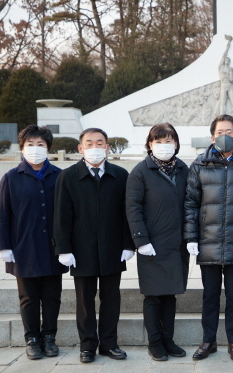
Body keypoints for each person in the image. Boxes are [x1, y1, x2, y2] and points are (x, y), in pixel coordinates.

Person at [184, 114, 233, 362]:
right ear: (212, 137)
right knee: (209, 296)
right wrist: (191, 237)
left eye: (229, 132)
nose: (225, 136)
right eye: (220, 132)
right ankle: (208, 341)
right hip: (208, 240)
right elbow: (190, 204)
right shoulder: (199, 165)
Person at [53, 128, 135, 363]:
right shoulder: (68, 176)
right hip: (81, 250)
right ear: (80, 148)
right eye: (89, 143)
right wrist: (63, 249)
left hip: (112, 249)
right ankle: (87, 345)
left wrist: (128, 244)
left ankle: (109, 344)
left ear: (107, 147)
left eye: (100, 143)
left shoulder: (120, 175)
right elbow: (61, 216)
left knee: (111, 299)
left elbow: (127, 214)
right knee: (85, 300)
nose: (95, 147)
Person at [0, 125, 67, 360]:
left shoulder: (59, 176)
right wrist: (4, 246)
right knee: (28, 297)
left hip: (53, 248)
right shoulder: (11, 178)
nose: (35, 149)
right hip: (24, 248)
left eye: (41, 145)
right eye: (30, 145)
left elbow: (68, 214)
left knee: (52, 296)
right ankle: (32, 339)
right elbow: (2, 214)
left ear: (48, 148)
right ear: (22, 148)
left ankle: (49, 337)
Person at [125, 123, 190, 361]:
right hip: (151, 244)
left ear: (176, 143)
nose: (164, 145)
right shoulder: (141, 172)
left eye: (169, 140)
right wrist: (141, 240)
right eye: (159, 141)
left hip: (177, 244)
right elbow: (132, 207)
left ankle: (168, 339)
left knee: (170, 294)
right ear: (150, 144)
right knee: (153, 295)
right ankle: (154, 342)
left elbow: (191, 204)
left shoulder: (184, 169)